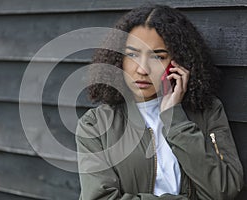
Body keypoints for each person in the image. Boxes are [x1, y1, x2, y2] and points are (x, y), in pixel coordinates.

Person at [75, 4, 243, 200]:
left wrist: (176, 120)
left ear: (178, 62)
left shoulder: (208, 111)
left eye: (158, 56)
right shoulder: (95, 124)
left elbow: (225, 189)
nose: (142, 69)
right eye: (132, 54)